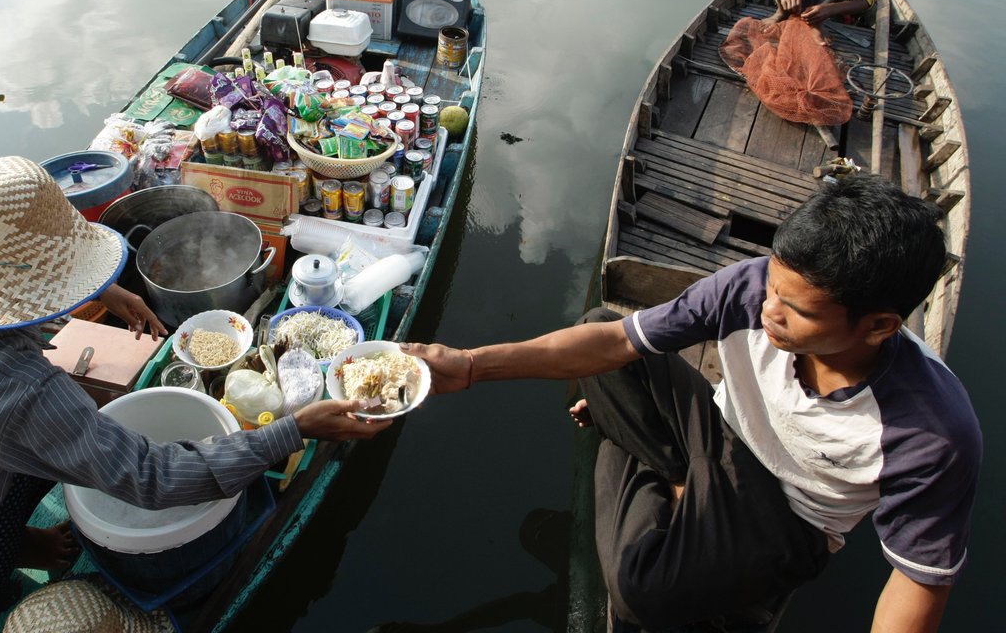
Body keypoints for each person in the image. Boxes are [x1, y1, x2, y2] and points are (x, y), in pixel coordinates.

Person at [0, 156, 391, 632]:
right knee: (70, 446)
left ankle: (17, 539)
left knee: (45, 442)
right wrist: (297, 428)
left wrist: (104, 292)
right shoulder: (15, 393)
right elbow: (155, 479)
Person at [403, 174, 981, 632]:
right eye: (774, 288)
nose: (768, 310)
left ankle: (638, 459)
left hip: (786, 513)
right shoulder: (752, 288)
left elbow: (920, 579)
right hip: (719, 432)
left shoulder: (931, 431)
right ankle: (674, 478)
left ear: (879, 325)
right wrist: (472, 365)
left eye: (797, 310)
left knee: (637, 593)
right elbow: (616, 339)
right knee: (601, 328)